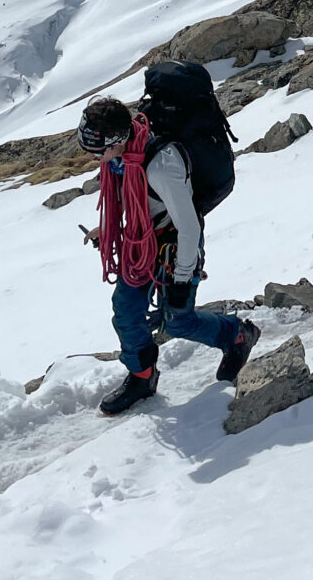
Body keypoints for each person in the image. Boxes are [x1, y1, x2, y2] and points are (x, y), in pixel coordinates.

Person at [79, 88, 259, 416]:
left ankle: (236, 335)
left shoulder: (161, 166)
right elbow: (131, 198)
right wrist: (107, 228)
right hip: (141, 241)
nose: (95, 158)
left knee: (177, 320)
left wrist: (180, 278)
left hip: (176, 245)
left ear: (117, 140)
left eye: (97, 151)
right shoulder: (122, 157)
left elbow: (188, 226)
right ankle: (142, 376)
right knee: (126, 309)